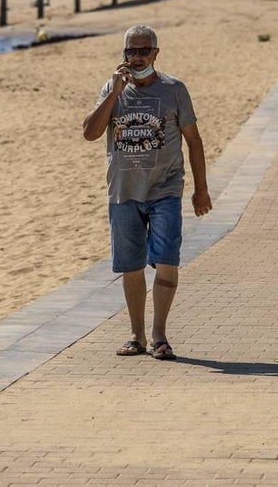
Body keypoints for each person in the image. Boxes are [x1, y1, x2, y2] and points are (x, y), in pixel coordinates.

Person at [82, 24, 212, 361]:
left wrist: (201, 190)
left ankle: (160, 335)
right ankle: (136, 336)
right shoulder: (112, 90)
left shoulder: (174, 89)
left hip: (165, 190)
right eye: (131, 51)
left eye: (143, 50)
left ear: (156, 52)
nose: (137, 57)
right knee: (132, 266)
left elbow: (193, 141)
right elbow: (90, 133)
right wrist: (114, 91)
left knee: (167, 260)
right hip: (123, 192)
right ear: (123, 54)